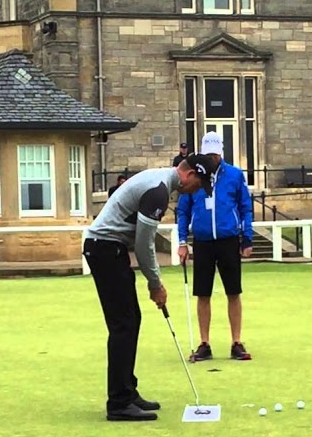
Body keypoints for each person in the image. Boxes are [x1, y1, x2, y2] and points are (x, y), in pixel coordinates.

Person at [85, 154, 218, 421]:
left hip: (110, 249)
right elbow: (145, 245)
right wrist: (156, 284)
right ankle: (119, 403)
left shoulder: (160, 183)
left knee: (131, 320)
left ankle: (127, 391)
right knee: (123, 324)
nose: (196, 191)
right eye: (199, 184)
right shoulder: (158, 192)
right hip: (104, 249)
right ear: (190, 175)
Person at [176, 131, 254, 362]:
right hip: (202, 241)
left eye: (216, 154)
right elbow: (183, 211)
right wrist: (182, 241)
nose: (213, 159)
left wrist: (247, 237)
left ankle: (236, 342)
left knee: (233, 292)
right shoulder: (194, 177)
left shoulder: (234, 175)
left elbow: (244, 207)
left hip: (228, 238)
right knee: (203, 294)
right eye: (209, 155)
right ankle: (204, 343)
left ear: (221, 152)